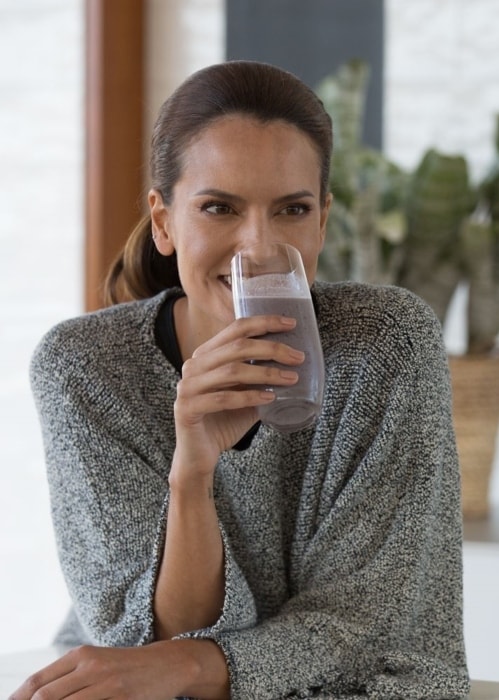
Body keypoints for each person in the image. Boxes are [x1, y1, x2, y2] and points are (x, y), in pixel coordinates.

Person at [12, 61, 469, 700]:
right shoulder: (85, 367)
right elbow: (144, 648)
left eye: (291, 210)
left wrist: (197, 666)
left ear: (323, 221)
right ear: (165, 221)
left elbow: (372, 628)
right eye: (219, 207)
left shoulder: (385, 343)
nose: (256, 247)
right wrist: (192, 471)